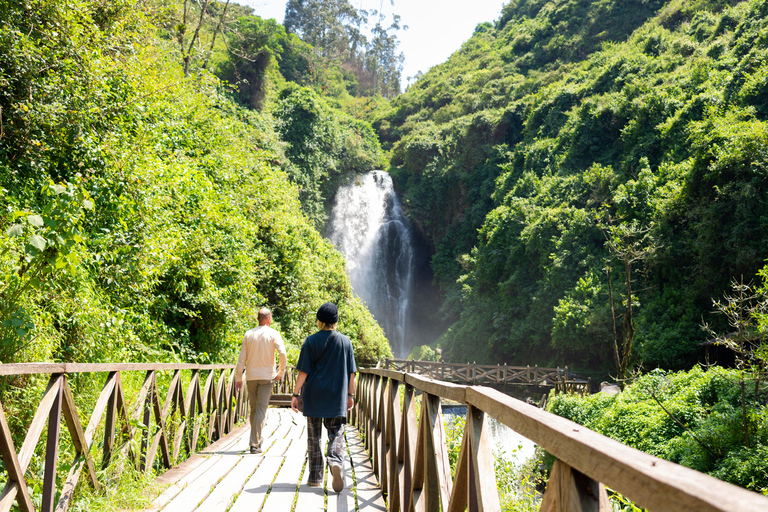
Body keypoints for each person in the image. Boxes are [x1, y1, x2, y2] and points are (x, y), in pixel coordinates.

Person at [291, 302, 357, 492]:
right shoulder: (346, 342)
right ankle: (335, 461)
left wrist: (295, 394)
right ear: (336, 321)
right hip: (337, 397)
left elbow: (303, 371)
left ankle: (315, 477)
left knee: (314, 437)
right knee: (336, 432)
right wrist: (350, 395)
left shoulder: (311, 341)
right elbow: (352, 373)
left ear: (319, 320)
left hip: (314, 396)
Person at [234, 308, 287, 454]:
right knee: (261, 409)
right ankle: (254, 443)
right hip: (267, 376)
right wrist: (281, 372)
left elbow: (241, 358)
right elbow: (282, 353)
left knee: (254, 408)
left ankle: (256, 439)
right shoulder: (273, 334)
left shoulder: (248, 334)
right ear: (269, 319)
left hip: (251, 377)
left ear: (258, 319)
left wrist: (238, 377)